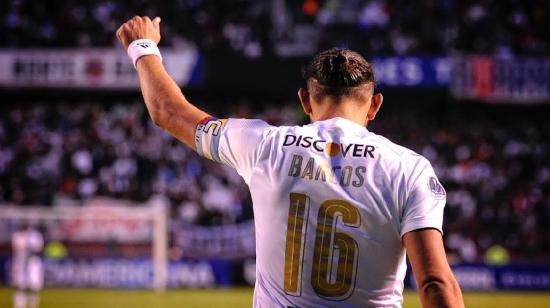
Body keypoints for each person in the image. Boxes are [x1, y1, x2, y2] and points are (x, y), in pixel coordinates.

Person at [116, 16, 464, 308]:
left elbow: (167, 112)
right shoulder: (409, 168)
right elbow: (434, 283)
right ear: (374, 106)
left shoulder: (264, 145)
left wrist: (142, 47)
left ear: (305, 101)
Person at [11, 223, 44, 308]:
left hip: (32, 262)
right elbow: (16, 247)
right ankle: (19, 305)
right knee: (20, 285)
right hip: (20, 262)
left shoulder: (35, 235)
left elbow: (39, 248)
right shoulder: (17, 235)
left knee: (34, 285)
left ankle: (33, 304)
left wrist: (31, 248)